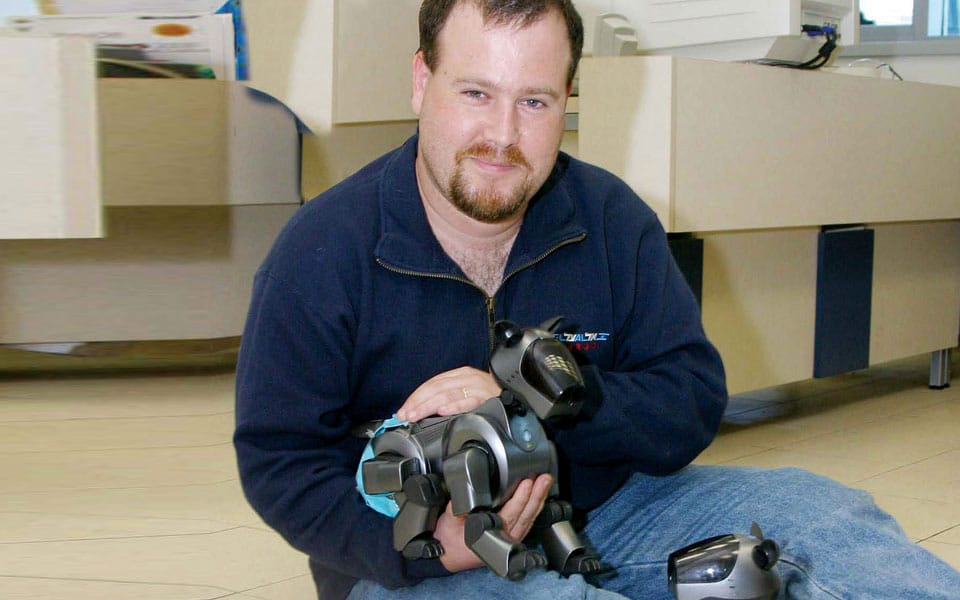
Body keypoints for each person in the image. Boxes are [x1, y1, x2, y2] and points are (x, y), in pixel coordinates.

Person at [233, 1, 960, 598]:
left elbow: (692, 400)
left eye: (536, 101)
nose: (503, 135)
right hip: (417, 554)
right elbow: (278, 459)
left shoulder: (611, 220)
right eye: (475, 92)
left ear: (567, 99)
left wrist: (552, 399)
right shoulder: (322, 251)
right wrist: (427, 546)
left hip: (611, 512)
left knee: (824, 516)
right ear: (422, 81)